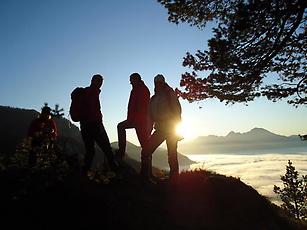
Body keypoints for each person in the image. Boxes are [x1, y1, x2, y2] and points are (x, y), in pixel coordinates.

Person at [140, 74, 182, 184]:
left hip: (171, 129)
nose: (158, 84)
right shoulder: (153, 99)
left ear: (163, 83)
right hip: (160, 129)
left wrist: (178, 129)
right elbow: (150, 117)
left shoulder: (169, 94)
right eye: (156, 82)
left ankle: (174, 180)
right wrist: (148, 132)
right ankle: (145, 177)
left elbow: (177, 110)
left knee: (172, 155)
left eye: (159, 82)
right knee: (146, 152)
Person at [79, 74, 118, 176]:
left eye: (101, 82)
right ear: (93, 81)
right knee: (107, 149)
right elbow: (95, 111)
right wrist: (100, 125)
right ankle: (116, 172)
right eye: (99, 81)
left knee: (90, 151)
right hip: (94, 125)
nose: (100, 84)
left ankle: (84, 173)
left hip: (84, 126)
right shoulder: (92, 92)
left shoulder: (86, 91)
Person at [116, 73, 152, 159]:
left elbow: (141, 107)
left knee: (145, 147)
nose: (130, 83)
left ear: (136, 80)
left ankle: (146, 170)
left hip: (140, 122)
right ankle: (121, 152)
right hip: (135, 120)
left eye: (131, 81)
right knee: (120, 126)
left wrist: (134, 120)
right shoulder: (136, 89)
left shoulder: (142, 89)